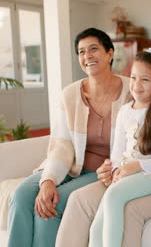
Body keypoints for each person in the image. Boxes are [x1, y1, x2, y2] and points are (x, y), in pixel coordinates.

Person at [56, 40, 151, 247]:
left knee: (126, 207)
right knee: (79, 199)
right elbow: (122, 148)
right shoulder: (143, 104)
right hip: (131, 176)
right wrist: (111, 169)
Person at [7, 27, 130, 247]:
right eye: (81, 52)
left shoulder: (131, 90)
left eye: (94, 49)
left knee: (53, 203)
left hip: (102, 172)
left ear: (110, 54)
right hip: (69, 165)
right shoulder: (70, 94)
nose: (87, 56)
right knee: (22, 195)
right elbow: (61, 145)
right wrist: (48, 180)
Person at [88, 48, 151, 247]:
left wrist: (136, 166)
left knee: (114, 195)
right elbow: (117, 150)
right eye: (133, 77)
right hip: (126, 173)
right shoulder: (123, 112)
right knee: (96, 226)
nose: (137, 85)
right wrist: (116, 171)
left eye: (145, 80)